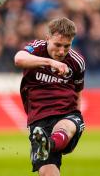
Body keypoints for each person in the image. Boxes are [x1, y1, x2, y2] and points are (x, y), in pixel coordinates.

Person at [14, 17, 86, 176]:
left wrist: (77, 117)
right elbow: (18, 59)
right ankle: (47, 144)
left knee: (64, 126)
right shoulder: (36, 48)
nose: (61, 51)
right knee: (49, 174)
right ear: (48, 38)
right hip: (39, 120)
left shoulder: (77, 61)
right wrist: (50, 63)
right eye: (58, 45)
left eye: (67, 46)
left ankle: (49, 143)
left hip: (67, 114)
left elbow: (78, 91)